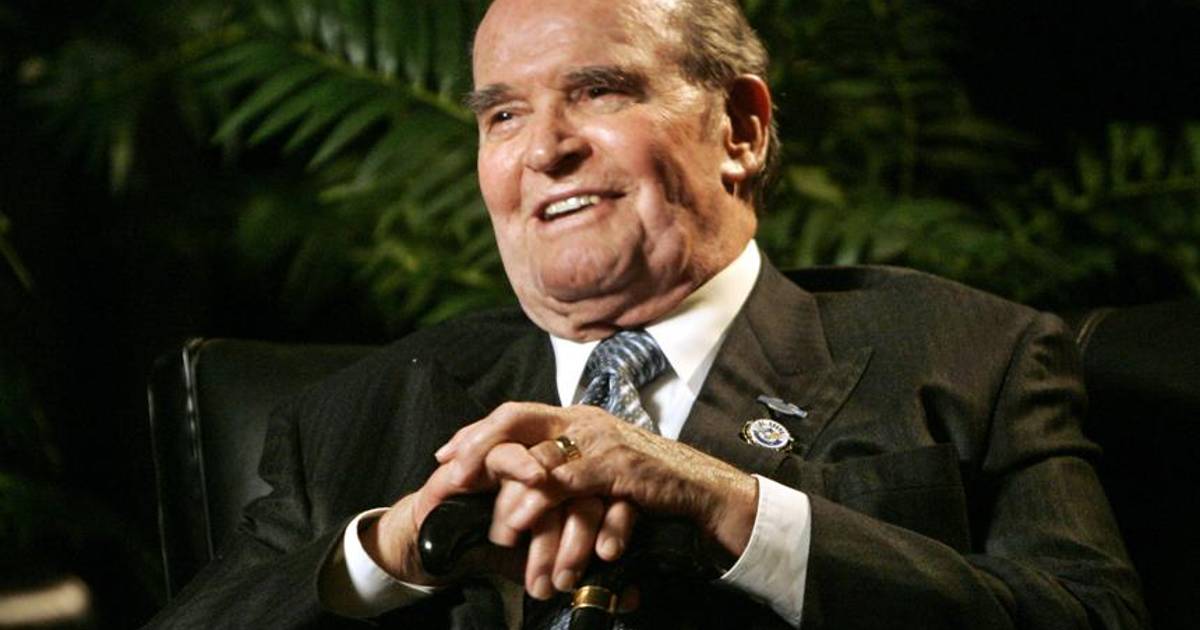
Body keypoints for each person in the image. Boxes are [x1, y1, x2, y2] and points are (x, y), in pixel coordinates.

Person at [146, 0, 1147, 628]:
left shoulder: (968, 354)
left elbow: (1092, 616)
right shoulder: (356, 416)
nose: (545, 149)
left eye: (598, 91)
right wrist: (395, 552)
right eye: (503, 113)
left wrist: (733, 509)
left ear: (741, 128)